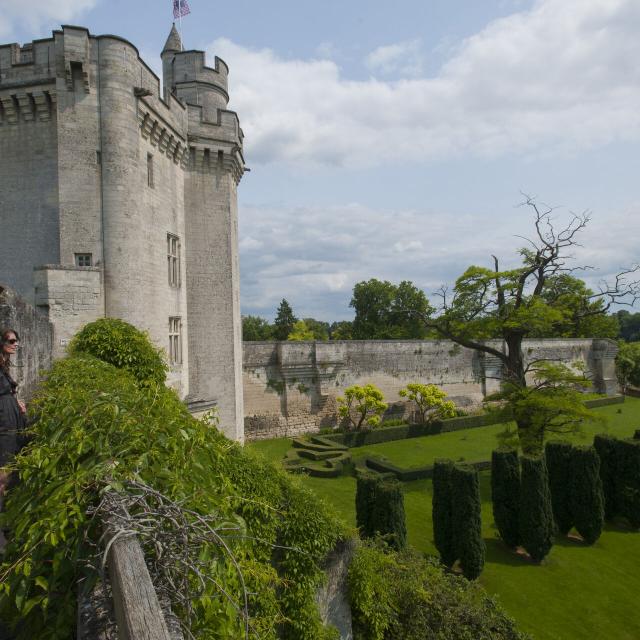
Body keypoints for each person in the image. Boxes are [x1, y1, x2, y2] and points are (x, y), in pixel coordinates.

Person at [0, 329, 27, 500]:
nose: (16, 344)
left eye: (16, 340)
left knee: (11, 459)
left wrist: (15, 401)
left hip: (9, 414)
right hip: (3, 418)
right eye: (11, 341)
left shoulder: (4, 362)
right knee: (4, 463)